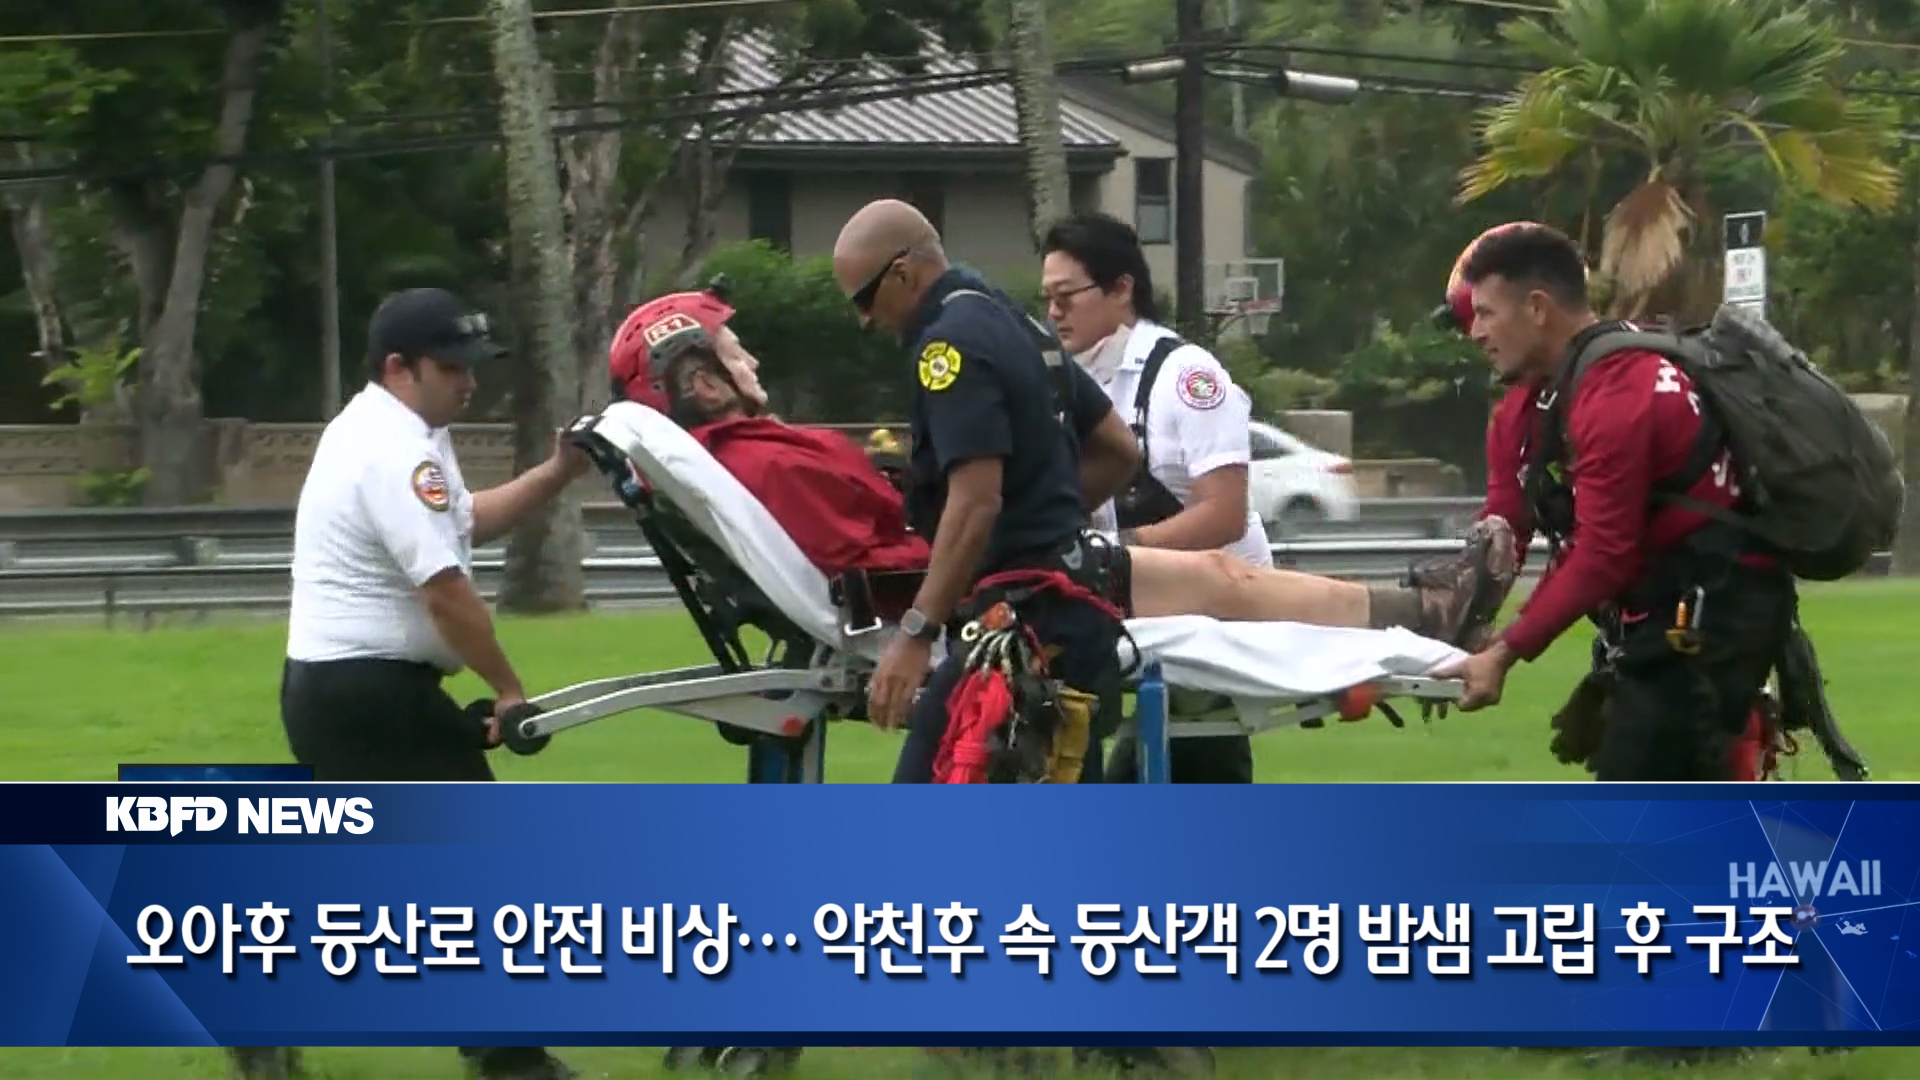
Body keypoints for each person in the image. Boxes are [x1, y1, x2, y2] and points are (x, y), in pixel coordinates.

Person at [604, 286, 1512, 651]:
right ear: (700, 381)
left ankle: (1421, 609)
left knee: (1220, 578)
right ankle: (1425, 613)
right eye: (734, 350)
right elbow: (874, 562)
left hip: (974, 572)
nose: (753, 358)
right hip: (988, 585)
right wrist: (973, 558)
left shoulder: (754, 459)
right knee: (1222, 579)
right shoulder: (767, 461)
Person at [276, 287, 587, 1080]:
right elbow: (445, 591)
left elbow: (464, 521)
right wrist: (509, 688)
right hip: (365, 693)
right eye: (451, 368)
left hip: (356, 692)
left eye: (471, 366)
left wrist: (556, 473)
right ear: (398, 367)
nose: (469, 382)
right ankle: (511, 1060)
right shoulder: (391, 450)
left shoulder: (404, 434)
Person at [1429, 222, 1792, 785]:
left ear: (1538, 308)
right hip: (1659, 619)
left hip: (1710, 617)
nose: (1473, 334)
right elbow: (1505, 527)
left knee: (1642, 815)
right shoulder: (1529, 405)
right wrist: (1446, 637)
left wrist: (1503, 653)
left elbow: (1604, 554)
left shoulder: (1619, 389)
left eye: (1483, 314)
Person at [1041, 210, 1266, 785]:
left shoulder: (1186, 375)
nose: (1054, 313)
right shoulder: (1071, 382)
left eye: (1067, 296)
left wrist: (1114, 554)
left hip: (1219, 618)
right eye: (1047, 299)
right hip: (1141, 618)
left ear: (1122, 289)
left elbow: (1225, 513)